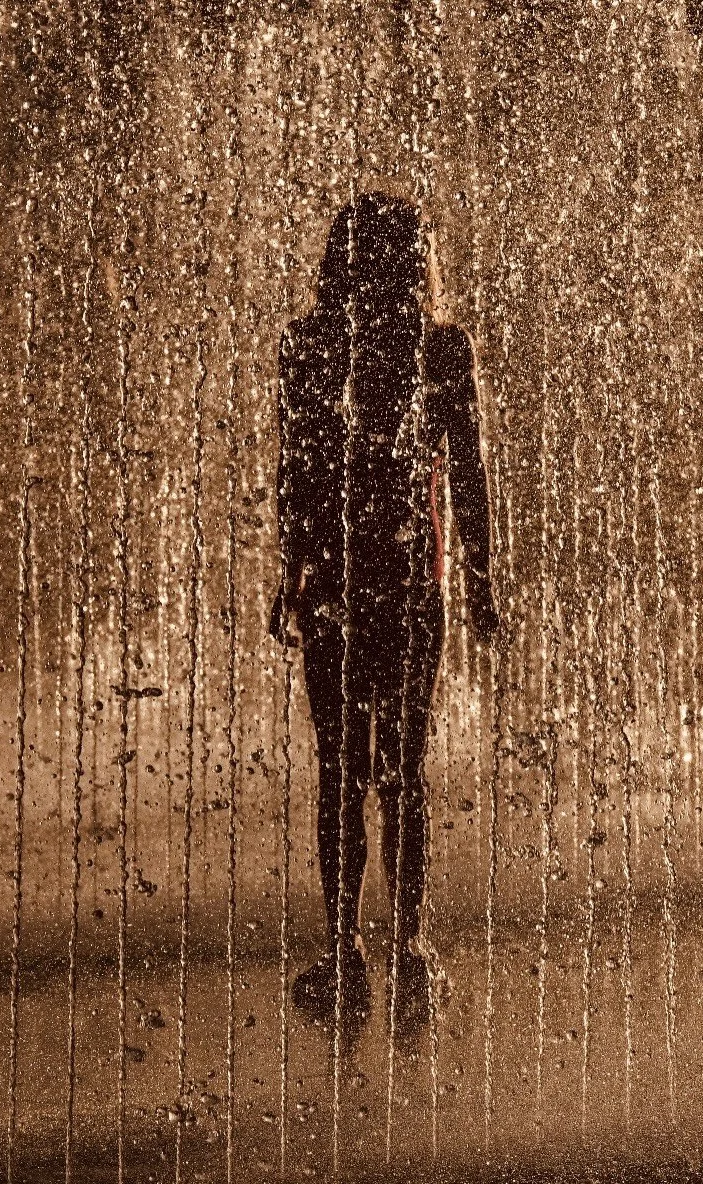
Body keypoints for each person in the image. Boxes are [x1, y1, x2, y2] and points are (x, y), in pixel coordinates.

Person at [273, 192, 499, 1036]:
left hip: (334, 577)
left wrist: (288, 569)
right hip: (412, 577)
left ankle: (345, 951)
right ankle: (406, 945)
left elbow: (296, 470)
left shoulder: (310, 342)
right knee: (403, 765)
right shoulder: (441, 346)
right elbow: (467, 475)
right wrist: (479, 582)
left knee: (341, 770)